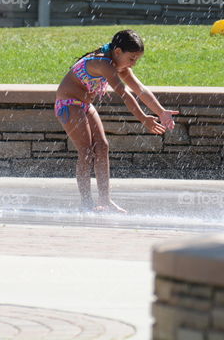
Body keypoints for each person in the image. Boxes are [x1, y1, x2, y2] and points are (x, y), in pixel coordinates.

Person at [55, 29, 177, 212]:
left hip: (85, 105)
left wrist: (161, 112)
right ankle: (86, 203)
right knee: (86, 151)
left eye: (137, 59)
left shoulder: (119, 65)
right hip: (69, 104)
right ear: (118, 51)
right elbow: (125, 94)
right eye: (132, 58)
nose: (133, 63)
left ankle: (105, 201)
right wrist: (143, 118)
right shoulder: (103, 63)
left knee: (102, 146)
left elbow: (140, 90)